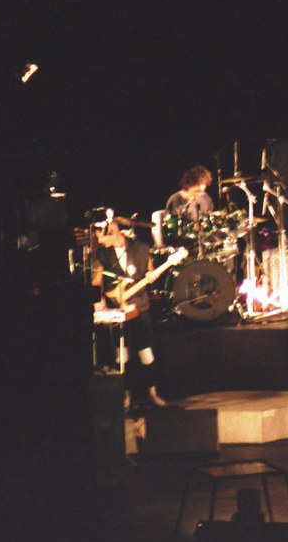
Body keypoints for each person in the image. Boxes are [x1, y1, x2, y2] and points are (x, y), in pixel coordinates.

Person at [92, 217, 167, 410]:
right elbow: (97, 281)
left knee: (146, 354)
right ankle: (125, 396)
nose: (99, 241)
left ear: (114, 231)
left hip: (139, 306)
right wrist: (99, 301)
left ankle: (153, 393)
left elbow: (149, 270)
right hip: (117, 307)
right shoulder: (102, 254)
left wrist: (152, 275)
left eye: (101, 237)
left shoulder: (141, 248)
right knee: (121, 357)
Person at [157, 166, 215, 251]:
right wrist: (191, 228)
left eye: (202, 191)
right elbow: (173, 230)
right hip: (184, 247)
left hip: (204, 243)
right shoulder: (176, 200)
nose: (200, 194)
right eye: (197, 191)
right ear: (188, 185)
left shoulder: (205, 198)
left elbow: (210, 217)